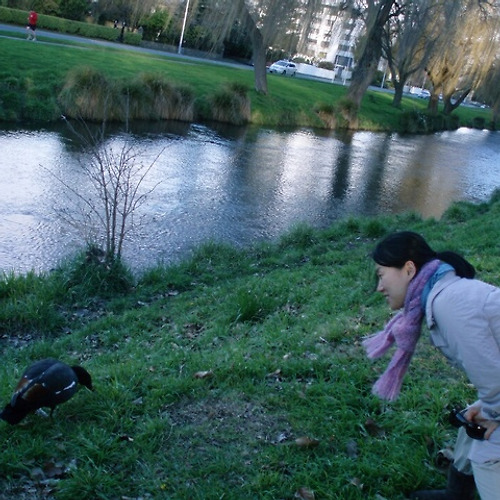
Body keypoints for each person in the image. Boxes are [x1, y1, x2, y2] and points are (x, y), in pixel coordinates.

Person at [363, 231, 500, 500]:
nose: (379, 287)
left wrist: (495, 414)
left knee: (488, 450)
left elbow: (494, 378)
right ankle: (455, 494)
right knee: (472, 422)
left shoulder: (449, 303)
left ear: (409, 269)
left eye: (381, 274)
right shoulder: (445, 293)